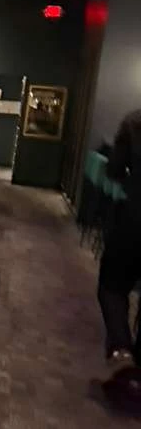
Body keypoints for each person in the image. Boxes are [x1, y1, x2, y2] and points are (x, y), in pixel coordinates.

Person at [97, 109, 141, 409]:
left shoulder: (135, 120)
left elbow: (113, 170)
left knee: (112, 286)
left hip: (135, 218)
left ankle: (122, 352)